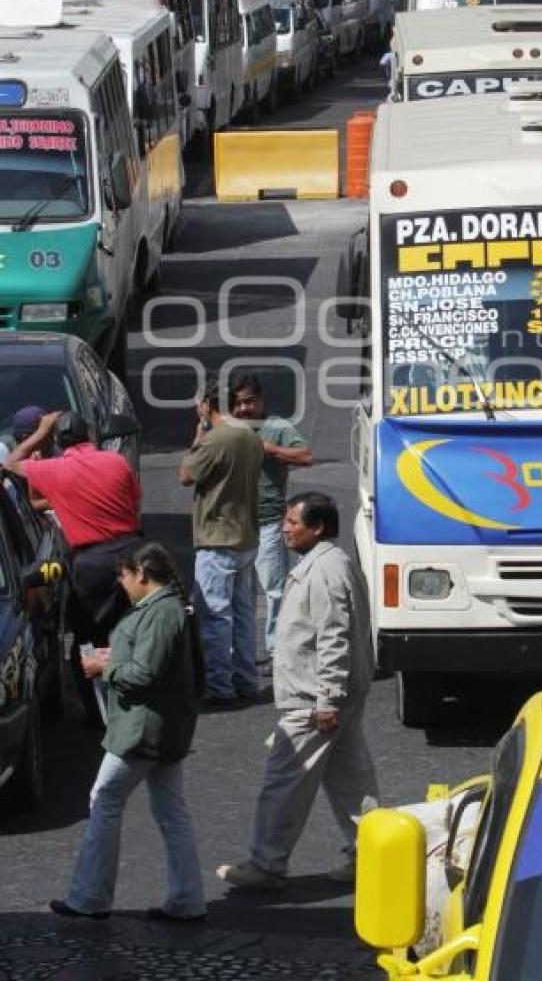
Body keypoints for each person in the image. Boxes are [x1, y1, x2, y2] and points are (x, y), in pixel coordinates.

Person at [216, 492, 379, 888]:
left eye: (292, 523)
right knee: (351, 783)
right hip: (334, 695)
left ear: (317, 527)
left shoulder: (323, 571)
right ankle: (373, 856)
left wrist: (326, 699)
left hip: (314, 699)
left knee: (284, 783)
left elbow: (333, 637)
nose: (285, 529)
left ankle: (266, 864)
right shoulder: (332, 563)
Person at [50, 542, 207, 922]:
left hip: (141, 729)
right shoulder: (169, 608)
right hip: (163, 728)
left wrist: (104, 669)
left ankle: (90, 897)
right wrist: (113, 658)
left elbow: (144, 674)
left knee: (104, 800)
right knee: (171, 812)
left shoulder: (161, 613)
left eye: (123, 577)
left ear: (141, 574)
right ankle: (187, 899)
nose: (121, 585)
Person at [5, 410, 142, 643]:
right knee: (141, 628)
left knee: (95, 638)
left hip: (92, 566)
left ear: (57, 439)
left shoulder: (54, 470)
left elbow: (9, 464)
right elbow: (134, 501)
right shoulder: (117, 461)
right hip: (134, 554)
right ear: (88, 434)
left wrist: (40, 432)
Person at [178, 377, 265, 703]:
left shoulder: (216, 440)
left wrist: (199, 434)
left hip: (217, 538)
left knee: (215, 617)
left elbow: (186, 475)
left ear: (207, 405)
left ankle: (219, 686)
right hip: (246, 536)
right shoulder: (249, 436)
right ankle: (247, 680)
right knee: (243, 615)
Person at [229, 374, 313, 661]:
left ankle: (277, 649)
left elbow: (305, 455)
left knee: (274, 591)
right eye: (238, 403)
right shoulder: (229, 428)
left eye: (250, 402)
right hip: (235, 527)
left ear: (262, 400)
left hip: (268, 523)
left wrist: (272, 450)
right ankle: (241, 651)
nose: (244, 409)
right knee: (239, 594)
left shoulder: (276, 427)